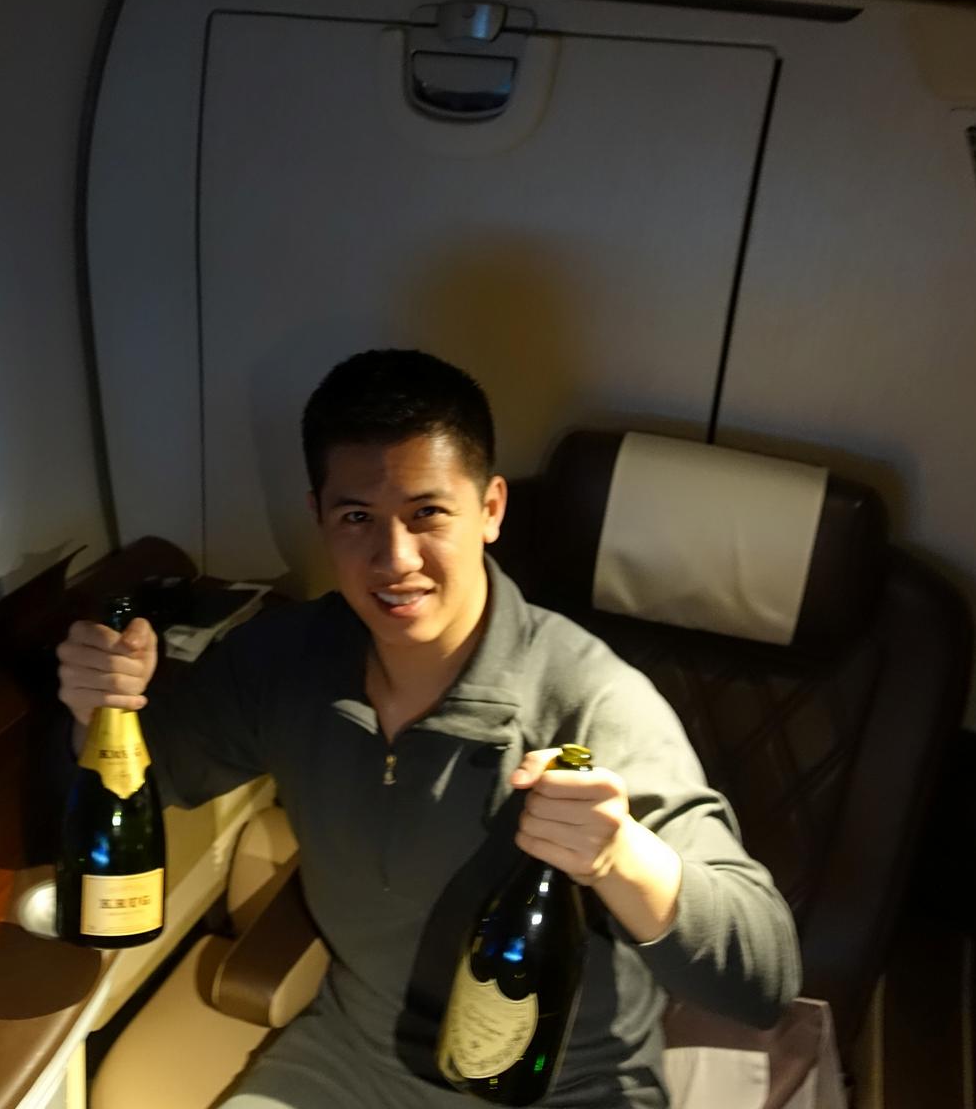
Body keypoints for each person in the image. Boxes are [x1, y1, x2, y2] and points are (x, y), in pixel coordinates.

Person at [57, 349, 802, 1108]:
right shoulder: (283, 661)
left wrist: (622, 858)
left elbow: (765, 978)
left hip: (562, 1082)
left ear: (491, 509)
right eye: (357, 518)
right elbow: (147, 782)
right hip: (353, 1058)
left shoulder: (594, 703)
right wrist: (99, 711)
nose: (395, 559)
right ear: (319, 517)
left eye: (428, 513)